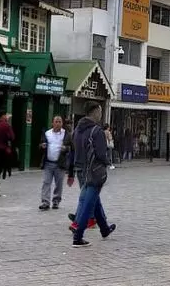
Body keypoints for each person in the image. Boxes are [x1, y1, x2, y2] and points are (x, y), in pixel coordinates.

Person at [70, 102, 116, 247]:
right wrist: (108, 163)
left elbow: (73, 150)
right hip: (94, 171)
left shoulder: (77, 129)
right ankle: (78, 236)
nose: (101, 114)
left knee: (93, 199)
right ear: (95, 112)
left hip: (80, 168)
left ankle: (104, 229)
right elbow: (102, 154)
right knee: (88, 202)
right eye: (100, 111)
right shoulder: (96, 131)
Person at [39, 116, 73, 210]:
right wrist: (42, 146)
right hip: (48, 163)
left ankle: (56, 201)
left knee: (59, 184)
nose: (58, 123)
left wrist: (66, 148)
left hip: (60, 163)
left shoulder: (66, 134)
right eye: (56, 121)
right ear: (52, 123)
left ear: (62, 124)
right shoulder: (47, 133)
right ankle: (45, 202)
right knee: (46, 182)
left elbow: (72, 148)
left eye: (60, 122)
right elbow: (41, 145)